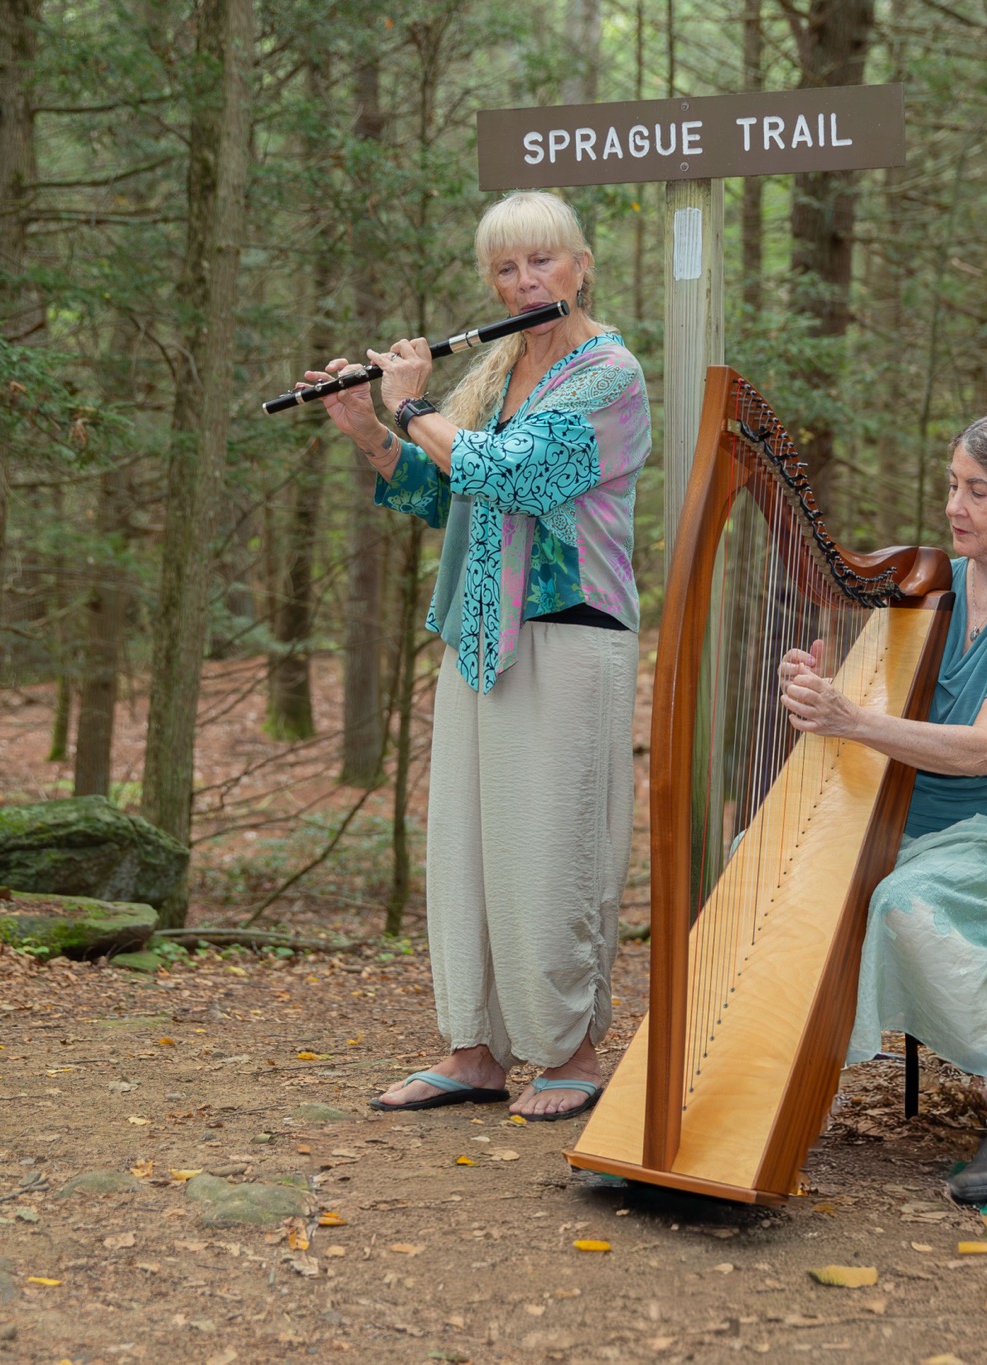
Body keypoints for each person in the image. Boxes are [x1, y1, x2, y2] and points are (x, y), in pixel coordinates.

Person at [304, 191, 649, 1121]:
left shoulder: (608, 373)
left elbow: (520, 475)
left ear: (580, 264)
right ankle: (474, 1050)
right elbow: (446, 493)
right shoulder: (497, 373)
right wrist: (371, 431)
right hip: (479, 625)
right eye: (505, 268)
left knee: (552, 846)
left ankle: (569, 1048)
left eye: (541, 261)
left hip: (572, 627)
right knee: (468, 844)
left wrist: (413, 403)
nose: (523, 280)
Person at [777, 412, 987, 1203]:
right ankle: (783, 1082)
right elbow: (881, 711)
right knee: (782, 863)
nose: (955, 505)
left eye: (979, 490)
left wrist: (852, 719)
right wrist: (815, 690)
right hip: (920, 826)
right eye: (953, 484)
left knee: (905, 902)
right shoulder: (930, 591)